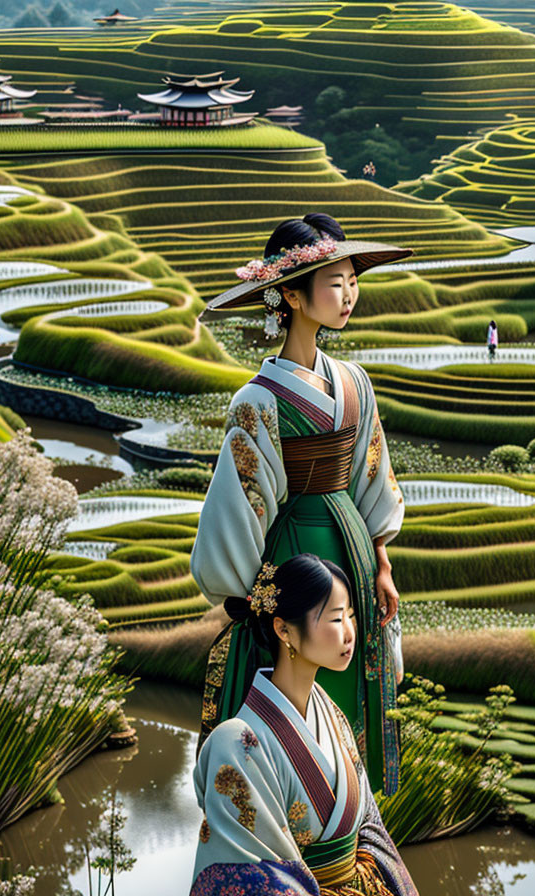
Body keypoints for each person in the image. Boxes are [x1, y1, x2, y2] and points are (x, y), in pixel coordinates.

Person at [190, 213, 412, 795]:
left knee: (351, 673)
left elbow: (372, 473)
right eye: (333, 283)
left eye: (351, 281)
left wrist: (382, 562)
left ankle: (349, 822)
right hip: (294, 558)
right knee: (294, 679)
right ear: (290, 293)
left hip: (356, 556)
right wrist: (251, 595)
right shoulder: (257, 403)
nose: (348, 295)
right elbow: (242, 507)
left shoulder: (355, 383)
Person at [190, 554, 419, 896]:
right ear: (284, 629)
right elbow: (244, 877)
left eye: (351, 617)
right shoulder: (235, 744)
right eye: (336, 619)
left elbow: (370, 826)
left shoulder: (330, 712)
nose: (349, 633)